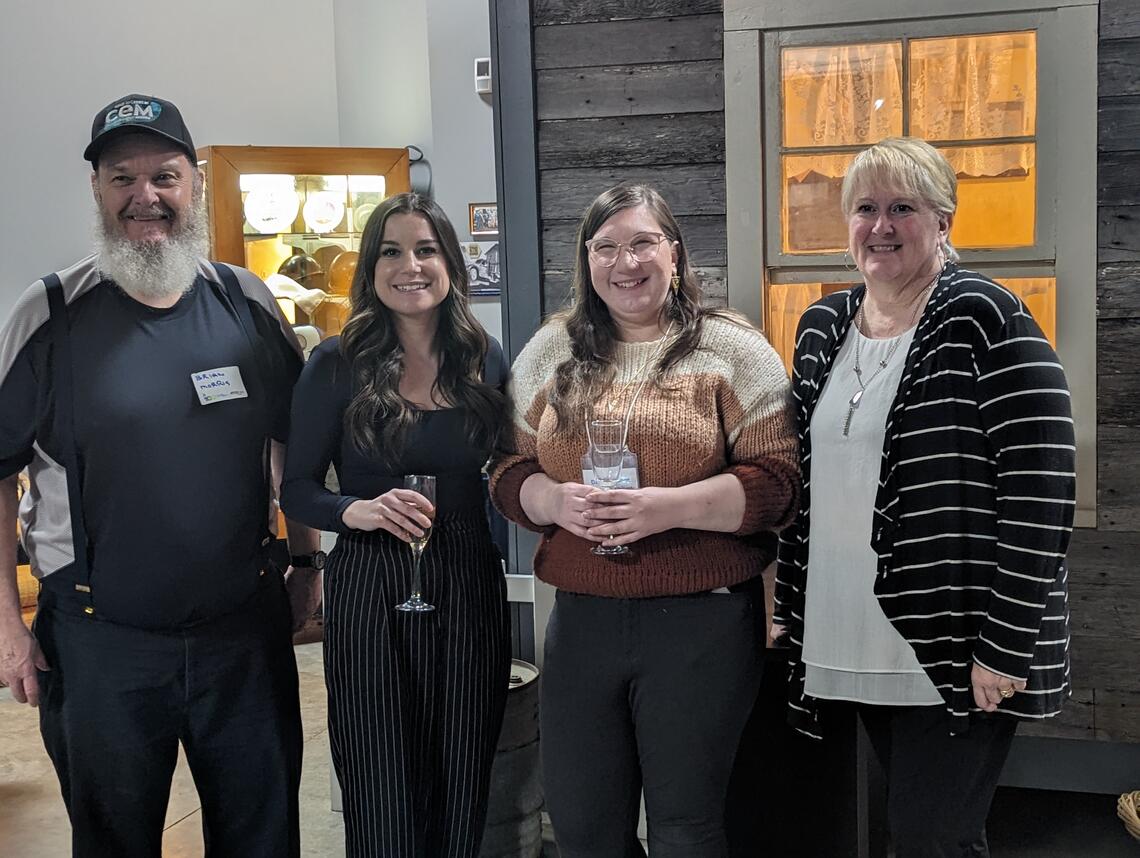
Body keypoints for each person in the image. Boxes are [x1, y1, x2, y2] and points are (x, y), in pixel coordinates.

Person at [0, 94, 321, 857]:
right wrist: (7, 627)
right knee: (114, 842)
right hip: (100, 646)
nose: (145, 197)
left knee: (263, 837)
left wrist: (307, 562)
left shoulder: (245, 303)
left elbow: (291, 444)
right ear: (97, 192)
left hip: (243, 638)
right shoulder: (48, 315)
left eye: (165, 177)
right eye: (122, 178)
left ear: (195, 183)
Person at [771, 137, 1075, 856]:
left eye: (903, 208)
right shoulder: (822, 325)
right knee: (908, 828)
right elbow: (805, 478)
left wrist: (1003, 647)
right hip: (856, 630)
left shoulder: (985, 316)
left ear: (944, 222)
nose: (881, 226)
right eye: (866, 208)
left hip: (956, 637)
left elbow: (1042, 490)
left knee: (932, 835)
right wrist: (784, 598)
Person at [489, 183, 800, 857]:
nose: (625, 263)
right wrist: (553, 501)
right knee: (583, 828)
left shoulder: (731, 348)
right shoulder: (549, 350)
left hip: (702, 624)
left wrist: (668, 509)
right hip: (581, 621)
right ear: (587, 261)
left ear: (676, 255)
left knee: (686, 828)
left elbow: (778, 484)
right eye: (606, 247)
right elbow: (506, 470)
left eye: (642, 243)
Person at [280, 192, 511, 857]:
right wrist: (352, 510)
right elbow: (295, 489)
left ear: (450, 263)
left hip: (467, 571)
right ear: (370, 268)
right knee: (380, 771)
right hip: (368, 578)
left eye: (426, 249)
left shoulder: (484, 358)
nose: (410, 266)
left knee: (464, 765)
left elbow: (512, 465)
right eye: (391, 251)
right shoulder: (335, 363)